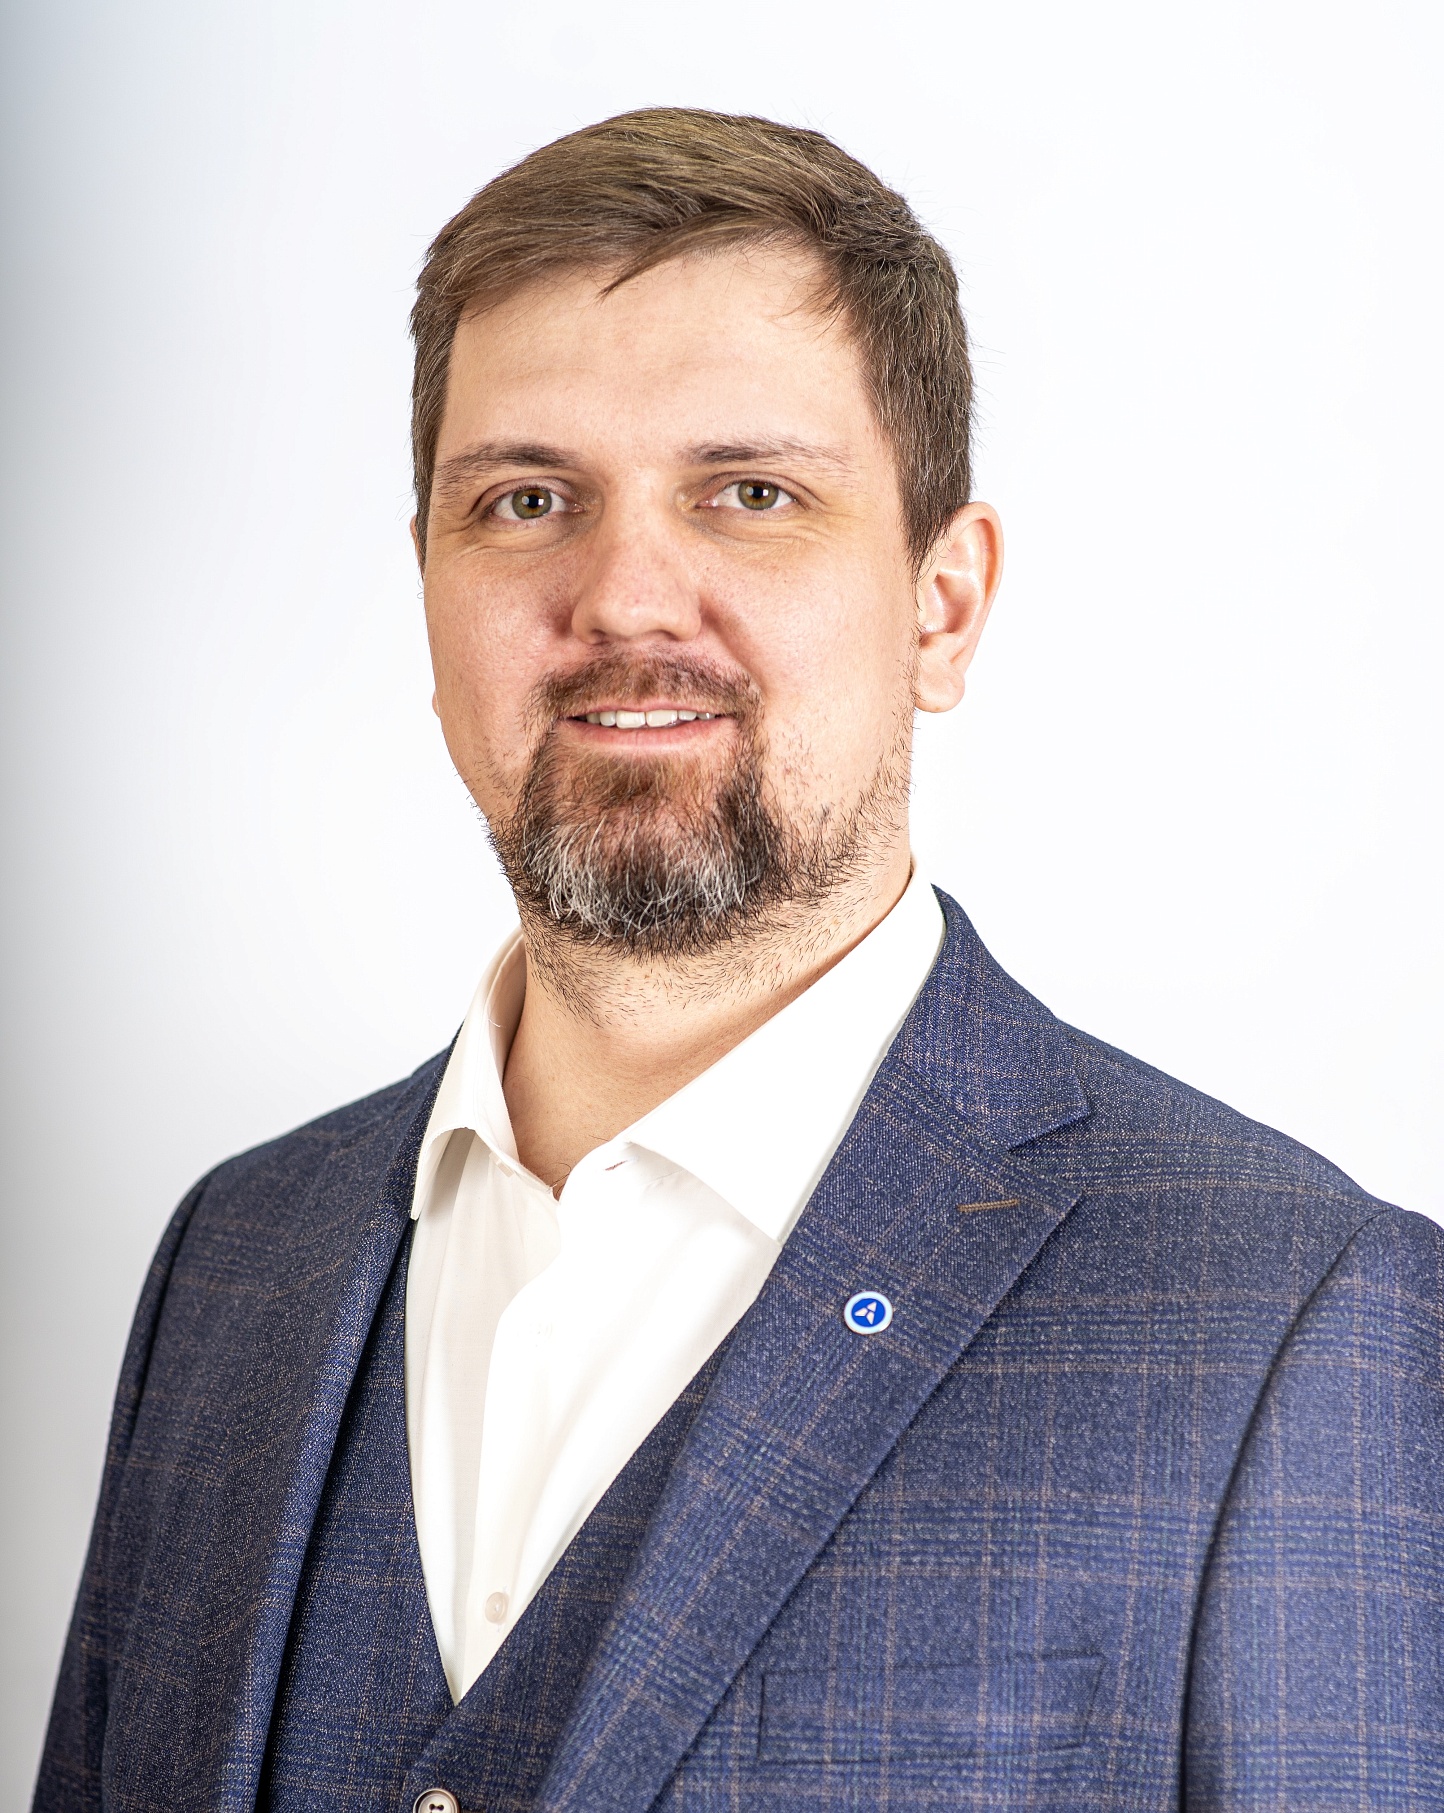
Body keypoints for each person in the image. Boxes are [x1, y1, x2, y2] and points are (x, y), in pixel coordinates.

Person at [34, 108, 1442, 1813]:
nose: (628, 597)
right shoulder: (237, 1261)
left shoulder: (1292, 1318)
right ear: (427, 590)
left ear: (941, 606)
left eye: (752, 494)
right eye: (527, 500)